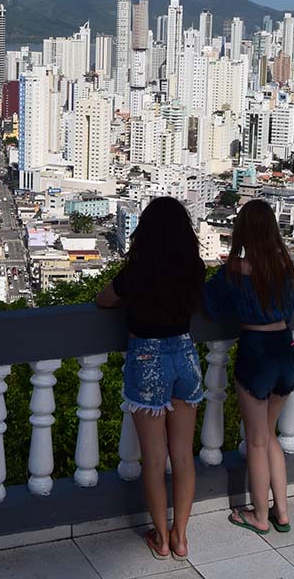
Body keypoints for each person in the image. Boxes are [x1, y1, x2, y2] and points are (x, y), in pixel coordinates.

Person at [96, 196, 206, 561]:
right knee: (184, 457)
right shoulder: (194, 269)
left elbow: (105, 301)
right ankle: (182, 538)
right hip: (186, 356)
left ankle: (160, 538)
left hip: (148, 358)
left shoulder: (138, 271)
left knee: (155, 460)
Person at [204, 199, 294, 535]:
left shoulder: (234, 271)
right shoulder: (284, 266)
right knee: (268, 435)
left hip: (256, 351)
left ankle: (260, 516)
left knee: (257, 441)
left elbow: (210, 307)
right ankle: (282, 511)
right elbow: (292, 306)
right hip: (285, 349)